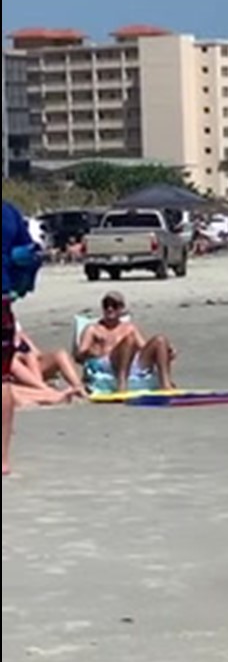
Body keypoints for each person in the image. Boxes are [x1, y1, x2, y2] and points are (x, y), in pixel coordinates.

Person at [4, 197, 46, 474]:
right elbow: (28, 254)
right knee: (3, 379)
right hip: (2, 301)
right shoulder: (8, 211)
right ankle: (3, 459)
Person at [76, 291, 179, 393]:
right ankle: (122, 385)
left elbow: (143, 348)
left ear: (121, 308)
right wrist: (92, 352)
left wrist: (164, 353)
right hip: (108, 364)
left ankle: (166, 384)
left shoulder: (130, 328)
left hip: (133, 364)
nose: (110, 309)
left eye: (114, 306)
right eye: (106, 305)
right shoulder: (93, 329)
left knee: (160, 340)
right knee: (128, 340)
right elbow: (79, 354)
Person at [6, 326, 86, 405]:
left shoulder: (16, 331)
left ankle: (79, 389)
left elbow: (37, 354)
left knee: (60, 355)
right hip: (10, 375)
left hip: (30, 370)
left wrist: (28, 353)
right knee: (13, 362)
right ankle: (47, 392)